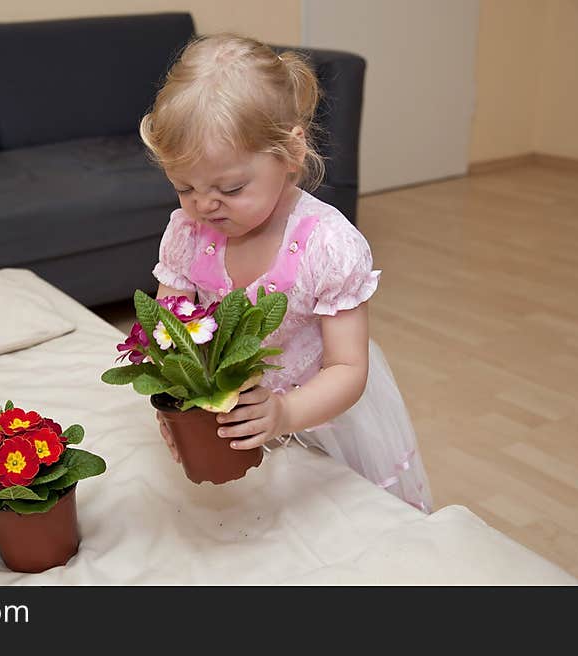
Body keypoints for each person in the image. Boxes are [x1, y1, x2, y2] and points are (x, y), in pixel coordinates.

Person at [140, 34, 432, 512]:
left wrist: (284, 413)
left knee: (345, 523)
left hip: (322, 413)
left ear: (291, 153)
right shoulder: (188, 231)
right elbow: (168, 335)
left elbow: (347, 368)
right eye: (184, 186)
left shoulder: (328, 246)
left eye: (230, 187)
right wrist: (176, 411)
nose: (204, 204)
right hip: (231, 414)